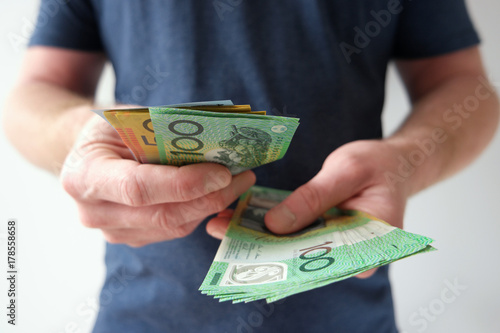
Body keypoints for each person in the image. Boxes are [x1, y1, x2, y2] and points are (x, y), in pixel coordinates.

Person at [3, 0, 498, 332]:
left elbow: (465, 88)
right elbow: (32, 91)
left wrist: (406, 161)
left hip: (346, 314)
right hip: (143, 313)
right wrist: (81, 142)